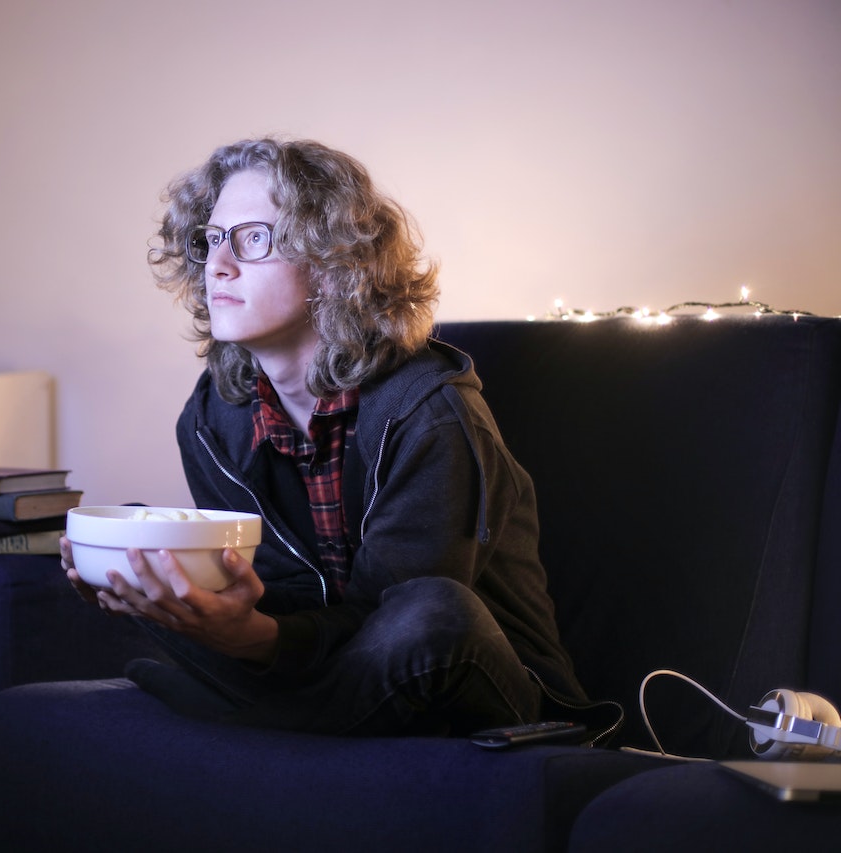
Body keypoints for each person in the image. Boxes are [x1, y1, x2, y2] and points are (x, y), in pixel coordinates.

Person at [59, 137, 596, 737]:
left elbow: (387, 619)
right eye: (212, 239)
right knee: (142, 552)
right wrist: (201, 607)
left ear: (333, 263)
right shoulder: (213, 419)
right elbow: (278, 597)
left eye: (252, 239)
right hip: (318, 661)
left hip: (479, 683)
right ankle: (289, 714)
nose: (218, 265)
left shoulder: (430, 414)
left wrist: (252, 640)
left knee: (433, 614)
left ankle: (265, 718)